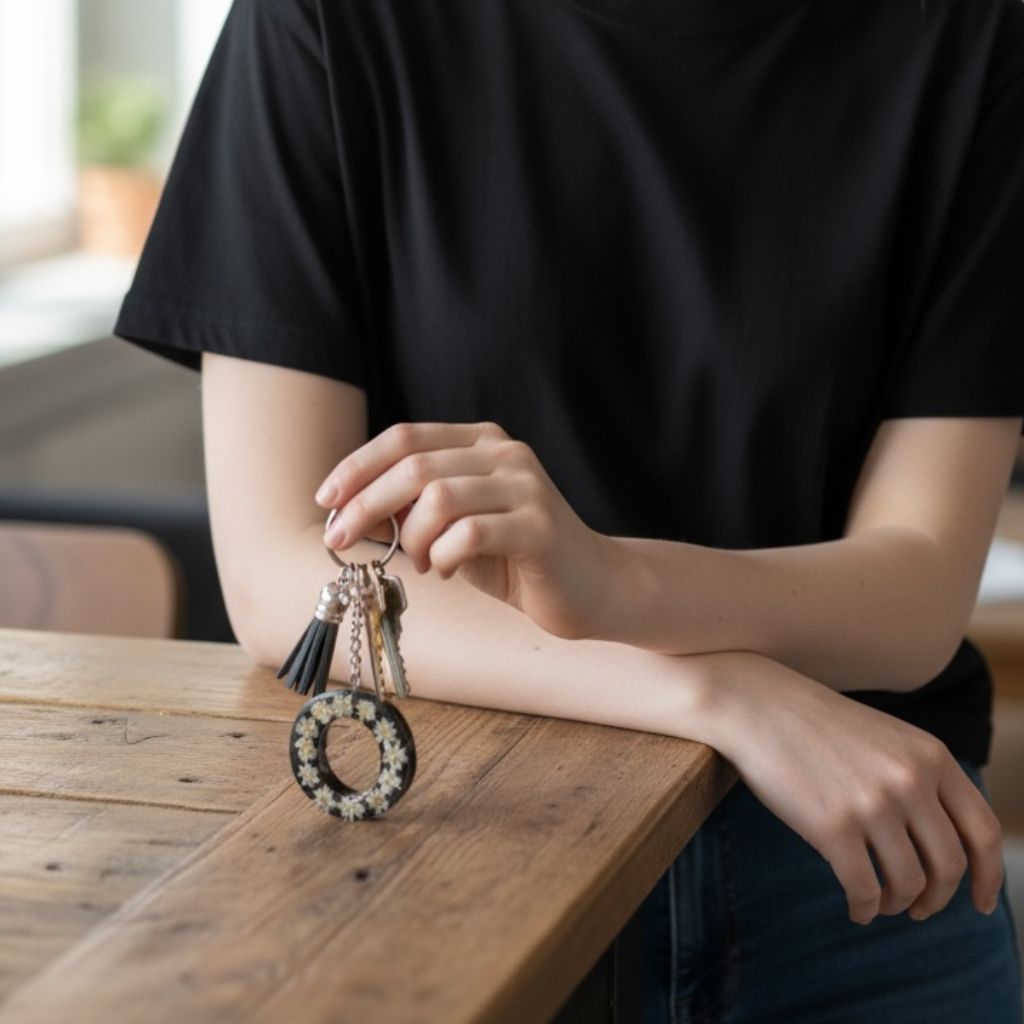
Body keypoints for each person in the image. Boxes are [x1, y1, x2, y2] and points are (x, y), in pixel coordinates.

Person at [113, 0, 1024, 1018]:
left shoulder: (975, 37)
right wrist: (717, 695)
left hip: (856, 861)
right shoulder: (319, 22)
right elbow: (282, 572)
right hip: (455, 832)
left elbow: (915, 591)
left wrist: (612, 582)